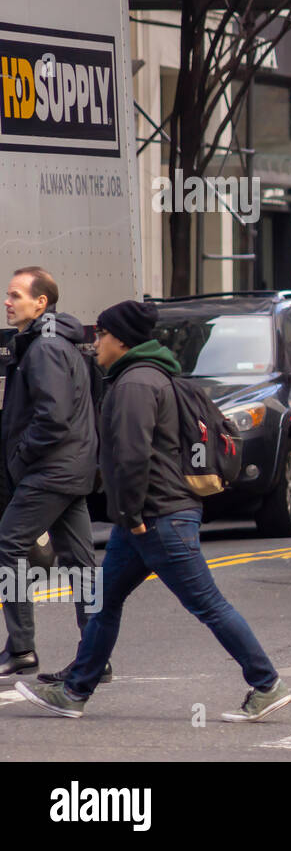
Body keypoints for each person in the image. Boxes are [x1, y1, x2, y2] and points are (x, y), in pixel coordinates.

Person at [15, 300, 291, 720]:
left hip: (156, 519)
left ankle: (266, 682)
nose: (95, 342)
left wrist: (131, 516)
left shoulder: (135, 385)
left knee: (209, 605)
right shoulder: (152, 375)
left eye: (102, 334)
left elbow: (131, 458)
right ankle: (74, 692)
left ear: (122, 339)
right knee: (104, 601)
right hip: (151, 517)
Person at [0, 267, 99, 679]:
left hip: (50, 470)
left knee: (8, 545)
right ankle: (96, 654)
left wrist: (20, 458)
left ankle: (21, 648)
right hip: (71, 468)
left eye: (16, 295)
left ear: (41, 302)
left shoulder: (44, 349)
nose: (8, 302)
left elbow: (52, 417)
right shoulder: (56, 342)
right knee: (80, 563)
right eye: (8, 295)